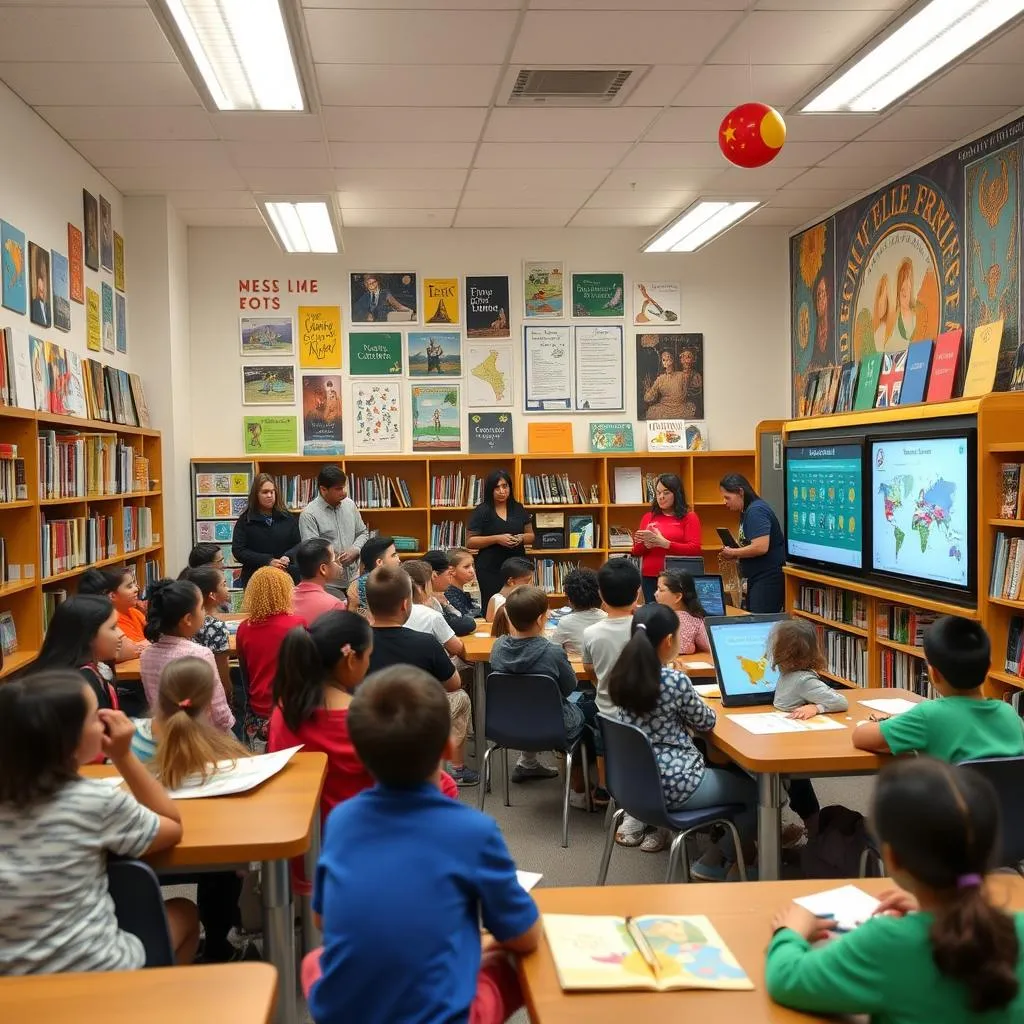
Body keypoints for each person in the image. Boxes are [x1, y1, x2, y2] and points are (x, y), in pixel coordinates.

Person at [302, 666, 539, 1022]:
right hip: (439, 1017)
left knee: (313, 962)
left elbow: (321, 919)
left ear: (360, 753)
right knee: (512, 965)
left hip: (345, 1013)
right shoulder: (474, 831)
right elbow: (525, 936)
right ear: (447, 747)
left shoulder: (342, 820)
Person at [766, 758, 1024, 1020]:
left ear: (891, 857)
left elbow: (786, 978)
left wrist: (790, 931)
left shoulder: (886, 942)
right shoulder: (1017, 928)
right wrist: (937, 914)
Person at [0, 671, 199, 972]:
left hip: (11, 982)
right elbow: (172, 826)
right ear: (71, 740)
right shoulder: (95, 802)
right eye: (95, 716)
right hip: (97, 970)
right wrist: (123, 756)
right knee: (184, 911)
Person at [609, 603, 757, 870]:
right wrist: (682, 681)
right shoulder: (673, 681)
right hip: (676, 783)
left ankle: (729, 852)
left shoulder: (621, 674)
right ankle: (715, 861)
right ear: (668, 641)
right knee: (758, 792)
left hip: (634, 782)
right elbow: (706, 721)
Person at [129, 657, 252, 963]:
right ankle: (217, 946)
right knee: (227, 871)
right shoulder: (226, 752)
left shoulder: (127, 739)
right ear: (210, 703)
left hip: (139, 854)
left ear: (158, 694)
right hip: (207, 856)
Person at [364, 565, 476, 787]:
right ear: (406, 604)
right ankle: (456, 768)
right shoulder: (425, 643)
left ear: (369, 605)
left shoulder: (357, 643)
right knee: (461, 697)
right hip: (417, 714)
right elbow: (453, 684)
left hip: (369, 713)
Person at [853, 616, 1024, 760]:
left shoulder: (928, 715)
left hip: (950, 800)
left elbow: (860, 737)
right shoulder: (1009, 714)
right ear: (988, 669)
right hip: (1006, 800)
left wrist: (891, 723)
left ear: (934, 674)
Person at [489, 585, 589, 786]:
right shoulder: (552, 652)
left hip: (506, 723)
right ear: (540, 619)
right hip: (553, 725)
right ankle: (579, 790)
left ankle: (528, 762)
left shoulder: (498, 646)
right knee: (585, 706)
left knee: (529, 699)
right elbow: (569, 687)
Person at [769, 618, 848, 843]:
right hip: (782, 737)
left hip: (794, 745)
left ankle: (814, 831)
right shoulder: (788, 675)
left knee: (797, 783)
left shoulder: (804, 680)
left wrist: (817, 706)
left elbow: (840, 702)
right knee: (793, 784)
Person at [141, 578, 233, 732]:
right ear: (188, 619)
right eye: (201, 608)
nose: (204, 612)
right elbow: (219, 710)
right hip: (202, 736)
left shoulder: (146, 655)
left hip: (163, 734)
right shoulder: (200, 654)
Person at [236, 566, 304, 753]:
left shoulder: (244, 628)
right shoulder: (297, 624)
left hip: (258, 707)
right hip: (291, 707)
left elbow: (245, 672)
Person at [26, 594, 121, 715]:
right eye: (113, 628)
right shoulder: (81, 685)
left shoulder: (80, 673)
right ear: (89, 634)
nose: (119, 635)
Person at [467, 469, 534, 612]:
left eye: (505, 486)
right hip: (490, 568)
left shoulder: (518, 508)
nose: (502, 491)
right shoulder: (482, 510)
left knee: (520, 605)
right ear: (490, 490)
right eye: (497, 487)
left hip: (517, 568)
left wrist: (521, 538)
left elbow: (531, 536)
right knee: (494, 606)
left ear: (510, 487)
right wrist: (497, 539)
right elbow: (470, 541)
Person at [719, 473, 785, 613]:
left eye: (727, 497)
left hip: (767, 577)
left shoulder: (756, 511)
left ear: (740, 492)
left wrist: (733, 552)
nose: (725, 502)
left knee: (759, 621)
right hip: (757, 576)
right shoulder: (747, 511)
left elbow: (761, 547)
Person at [631, 474, 702, 602]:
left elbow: (694, 549)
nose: (661, 497)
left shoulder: (689, 517)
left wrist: (665, 544)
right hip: (650, 578)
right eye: (658, 493)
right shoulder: (648, 517)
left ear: (677, 494)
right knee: (654, 616)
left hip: (677, 579)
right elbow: (636, 551)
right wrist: (646, 544)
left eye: (666, 492)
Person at [298, 466, 368, 586]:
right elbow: (312, 555)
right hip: (329, 585)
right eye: (338, 489)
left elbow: (363, 532)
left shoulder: (350, 505)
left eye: (344, 487)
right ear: (323, 489)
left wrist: (355, 549)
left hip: (354, 579)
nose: (344, 493)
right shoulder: (309, 514)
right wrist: (334, 562)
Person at [232, 473, 301, 588]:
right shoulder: (245, 520)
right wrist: (267, 560)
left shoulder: (287, 517)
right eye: (265, 492)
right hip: (256, 579)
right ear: (256, 495)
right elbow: (239, 551)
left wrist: (288, 556)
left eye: (272, 491)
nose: (269, 495)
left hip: (286, 576)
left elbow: (298, 544)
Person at [179, 565, 233, 711]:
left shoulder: (182, 619)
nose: (227, 588)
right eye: (224, 585)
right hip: (211, 691)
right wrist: (228, 693)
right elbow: (222, 667)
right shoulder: (215, 626)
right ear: (212, 595)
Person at [79, 566, 148, 663]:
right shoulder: (110, 618)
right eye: (129, 586)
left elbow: (154, 636)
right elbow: (132, 649)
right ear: (112, 595)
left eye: (134, 584)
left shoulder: (134, 612)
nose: (136, 589)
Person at [403, 560, 466, 660]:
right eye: (430, 583)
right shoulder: (431, 615)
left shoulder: (392, 612)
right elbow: (456, 648)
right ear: (420, 588)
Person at [551, 568, 606, 656]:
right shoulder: (605, 617)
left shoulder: (565, 622)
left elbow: (554, 649)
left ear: (570, 599)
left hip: (574, 667)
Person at [654, 570, 710, 655]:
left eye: (661, 590)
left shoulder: (682, 621)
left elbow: (682, 650)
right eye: (657, 589)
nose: (655, 594)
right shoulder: (697, 619)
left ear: (678, 597)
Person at [292, 537, 346, 625]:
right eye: (335, 558)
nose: (338, 563)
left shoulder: (285, 599)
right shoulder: (335, 605)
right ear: (323, 569)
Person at [423, 549, 476, 636]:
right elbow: (463, 624)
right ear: (434, 575)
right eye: (449, 574)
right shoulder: (429, 602)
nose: (451, 578)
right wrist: (446, 605)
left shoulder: (438, 597)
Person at [347, 535, 401, 614]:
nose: (398, 560)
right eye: (394, 555)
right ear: (379, 562)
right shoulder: (398, 584)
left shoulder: (355, 585)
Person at [486, 556, 534, 622]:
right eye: (527, 581)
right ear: (511, 581)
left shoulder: (493, 598)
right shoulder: (496, 600)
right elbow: (490, 625)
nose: (530, 585)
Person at [445, 547, 481, 618]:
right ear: (452, 570)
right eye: (466, 567)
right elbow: (468, 619)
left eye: (473, 565)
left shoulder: (464, 591)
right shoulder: (450, 595)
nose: (472, 570)